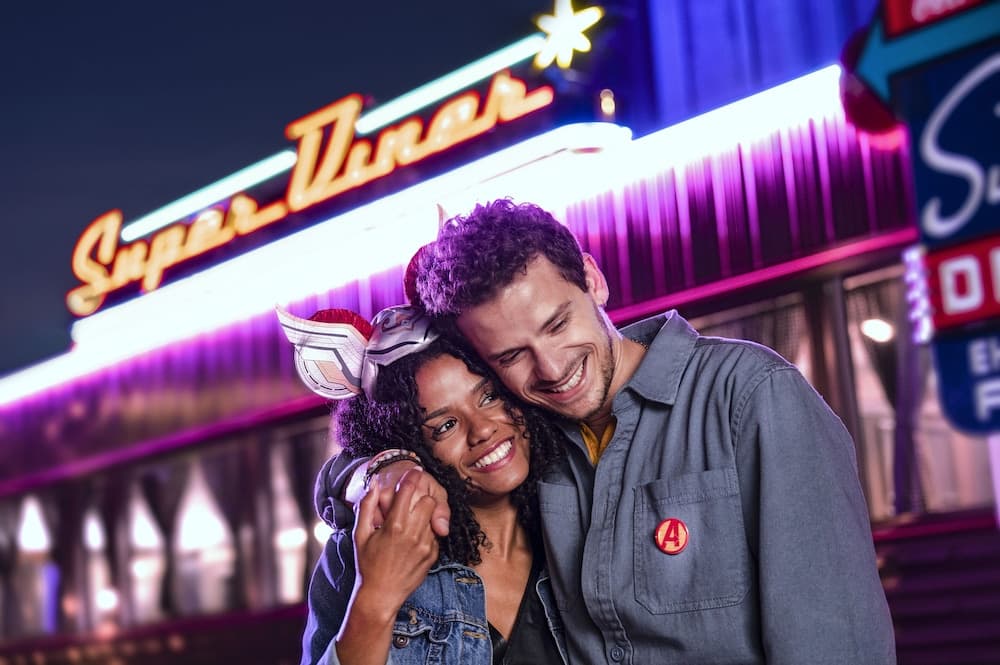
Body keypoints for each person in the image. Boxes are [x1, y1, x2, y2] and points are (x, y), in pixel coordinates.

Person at [321, 199, 897, 663]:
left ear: (592, 280)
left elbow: (837, 643)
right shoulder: (539, 439)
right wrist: (381, 467)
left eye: (557, 324)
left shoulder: (747, 395)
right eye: (512, 356)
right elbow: (379, 445)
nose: (551, 369)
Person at [278, 305, 568, 665]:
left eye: (489, 396)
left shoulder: (577, 507)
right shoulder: (364, 552)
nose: (483, 430)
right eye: (446, 426)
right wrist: (376, 598)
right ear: (412, 446)